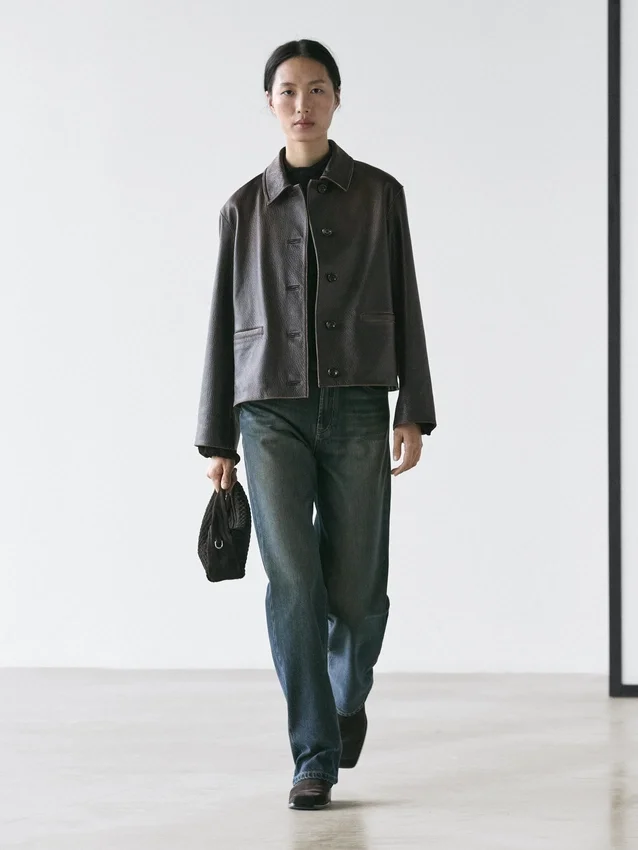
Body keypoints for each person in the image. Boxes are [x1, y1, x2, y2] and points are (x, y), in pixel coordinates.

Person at [194, 38, 437, 810]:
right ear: (270, 103)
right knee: (293, 583)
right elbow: (221, 323)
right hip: (268, 411)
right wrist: (217, 438)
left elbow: (406, 297)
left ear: (336, 98)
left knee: (359, 595)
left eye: (317, 89)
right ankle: (313, 754)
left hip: (360, 403)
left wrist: (414, 407)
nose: (303, 104)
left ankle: (345, 695)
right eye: (289, 91)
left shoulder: (380, 195)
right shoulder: (243, 207)